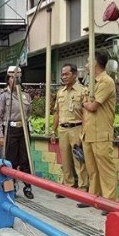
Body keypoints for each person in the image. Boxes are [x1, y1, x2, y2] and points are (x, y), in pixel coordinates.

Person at [81, 50, 117, 214]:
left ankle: (110, 203)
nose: (87, 65)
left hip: (101, 133)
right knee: (92, 169)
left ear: (96, 63)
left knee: (105, 169)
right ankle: (93, 197)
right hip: (89, 133)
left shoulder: (106, 82)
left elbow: (92, 107)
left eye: (89, 61)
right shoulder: (92, 83)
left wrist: (84, 103)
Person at [51, 63, 89, 206]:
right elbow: (57, 113)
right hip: (63, 129)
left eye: (66, 74)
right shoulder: (60, 93)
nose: (64, 77)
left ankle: (83, 187)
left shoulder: (82, 91)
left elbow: (86, 113)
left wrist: (84, 131)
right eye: (62, 74)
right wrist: (53, 131)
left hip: (76, 128)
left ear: (74, 74)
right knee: (65, 160)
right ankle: (68, 186)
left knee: (79, 159)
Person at [0, 67, 34, 199]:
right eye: (12, 77)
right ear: (8, 78)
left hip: (23, 129)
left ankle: (28, 186)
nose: (15, 80)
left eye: (17, 77)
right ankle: (11, 188)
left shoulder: (25, 95)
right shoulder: (2, 96)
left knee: (25, 160)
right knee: (11, 160)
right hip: (10, 130)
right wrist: (0, 135)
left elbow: (28, 113)